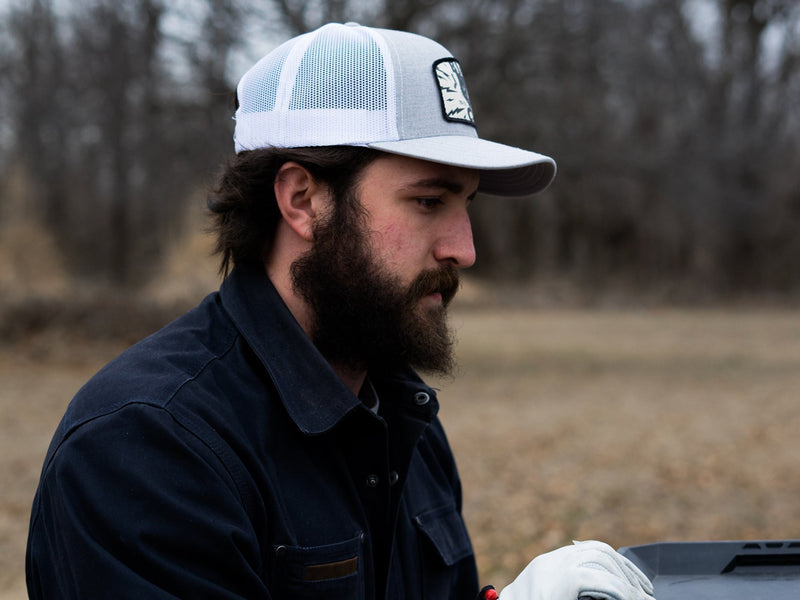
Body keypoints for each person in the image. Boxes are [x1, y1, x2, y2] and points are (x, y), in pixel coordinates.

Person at [26, 22, 655, 600]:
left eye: (466, 205)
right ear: (302, 200)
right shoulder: (147, 450)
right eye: (428, 201)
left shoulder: (402, 422)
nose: (464, 249)